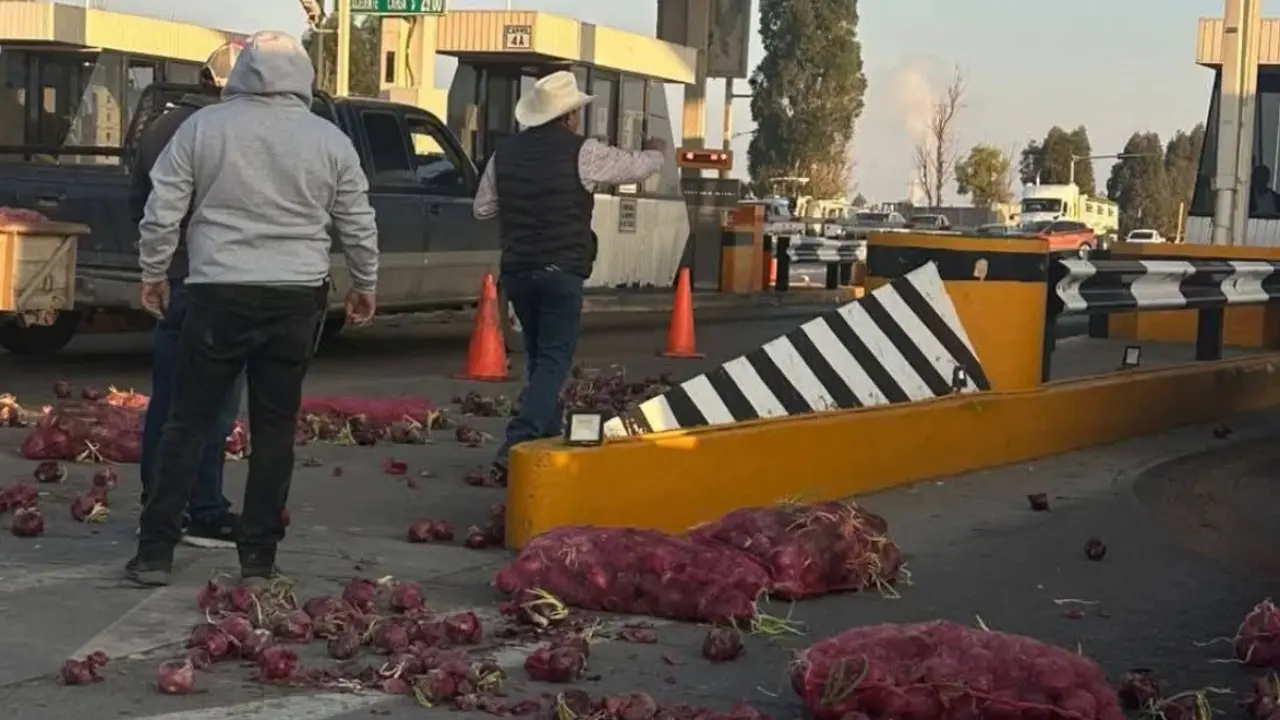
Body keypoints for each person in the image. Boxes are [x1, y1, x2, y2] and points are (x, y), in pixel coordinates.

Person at [127, 30, 379, 586]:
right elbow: (357, 220)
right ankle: (258, 556)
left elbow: (162, 207)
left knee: (186, 423)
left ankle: (155, 551)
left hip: (217, 291)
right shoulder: (327, 138)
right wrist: (365, 282)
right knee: (274, 429)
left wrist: (153, 271)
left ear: (241, 75)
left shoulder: (204, 128)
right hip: (295, 298)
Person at [472, 70, 666, 483]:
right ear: (569, 116)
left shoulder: (503, 153)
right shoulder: (584, 152)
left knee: (540, 357)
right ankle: (517, 444)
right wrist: (656, 153)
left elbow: (482, 209)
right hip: (562, 270)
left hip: (519, 270)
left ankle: (543, 434)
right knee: (555, 359)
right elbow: (632, 169)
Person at [128, 41, 245, 549]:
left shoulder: (160, 126)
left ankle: (159, 505)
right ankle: (203, 508)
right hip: (218, 280)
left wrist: (157, 264)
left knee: (169, 398)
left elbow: (142, 203)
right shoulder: (226, 133)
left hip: (174, 277)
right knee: (215, 401)